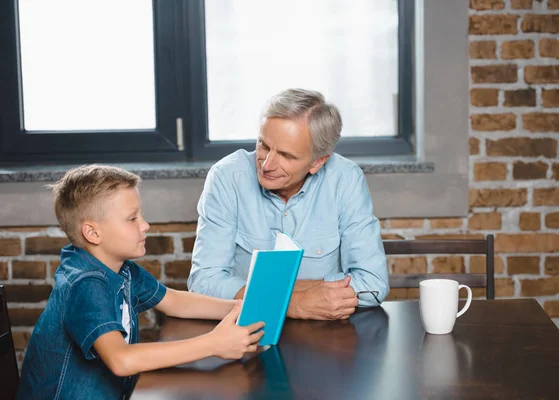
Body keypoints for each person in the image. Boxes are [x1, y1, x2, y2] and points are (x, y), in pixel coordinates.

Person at [17, 165, 264, 400]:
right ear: (92, 233)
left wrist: (239, 306)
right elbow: (121, 359)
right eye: (132, 218)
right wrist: (213, 344)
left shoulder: (121, 269)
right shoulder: (86, 284)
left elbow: (174, 301)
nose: (145, 225)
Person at [188, 88, 389, 320]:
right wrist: (294, 303)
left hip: (327, 336)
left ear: (318, 161)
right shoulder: (226, 176)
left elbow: (373, 283)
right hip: (242, 331)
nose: (267, 165)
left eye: (286, 155)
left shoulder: (345, 179)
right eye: (263, 145)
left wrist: (259, 293)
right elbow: (203, 282)